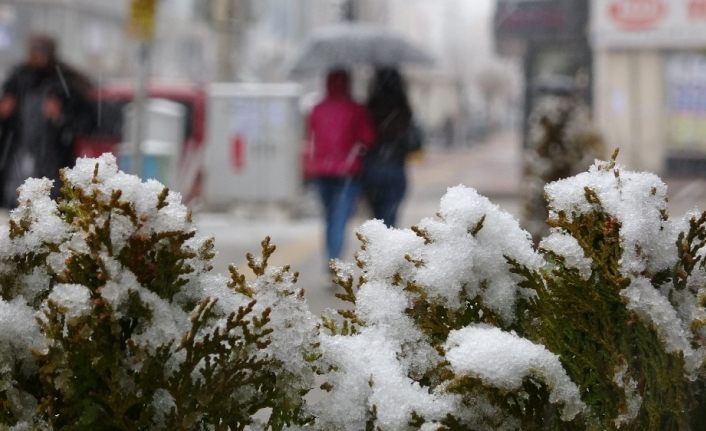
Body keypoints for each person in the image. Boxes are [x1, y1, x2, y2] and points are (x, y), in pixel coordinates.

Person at [0, 35, 94, 207]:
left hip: (53, 155)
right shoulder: (19, 79)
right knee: (15, 198)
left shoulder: (65, 82)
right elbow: (7, 115)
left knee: (49, 198)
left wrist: (61, 116)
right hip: (19, 152)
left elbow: (85, 122)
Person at [305, 69, 375, 261]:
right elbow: (368, 138)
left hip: (322, 171)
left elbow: (311, 137)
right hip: (348, 173)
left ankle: (330, 258)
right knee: (340, 218)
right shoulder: (355, 109)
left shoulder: (317, 109)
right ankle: (334, 260)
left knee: (328, 219)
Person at [363, 68, 422, 227]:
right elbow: (415, 144)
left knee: (376, 222)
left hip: (372, 171)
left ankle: (378, 248)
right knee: (390, 219)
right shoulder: (404, 109)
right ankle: (388, 249)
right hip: (396, 170)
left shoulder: (370, 107)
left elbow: (364, 140)